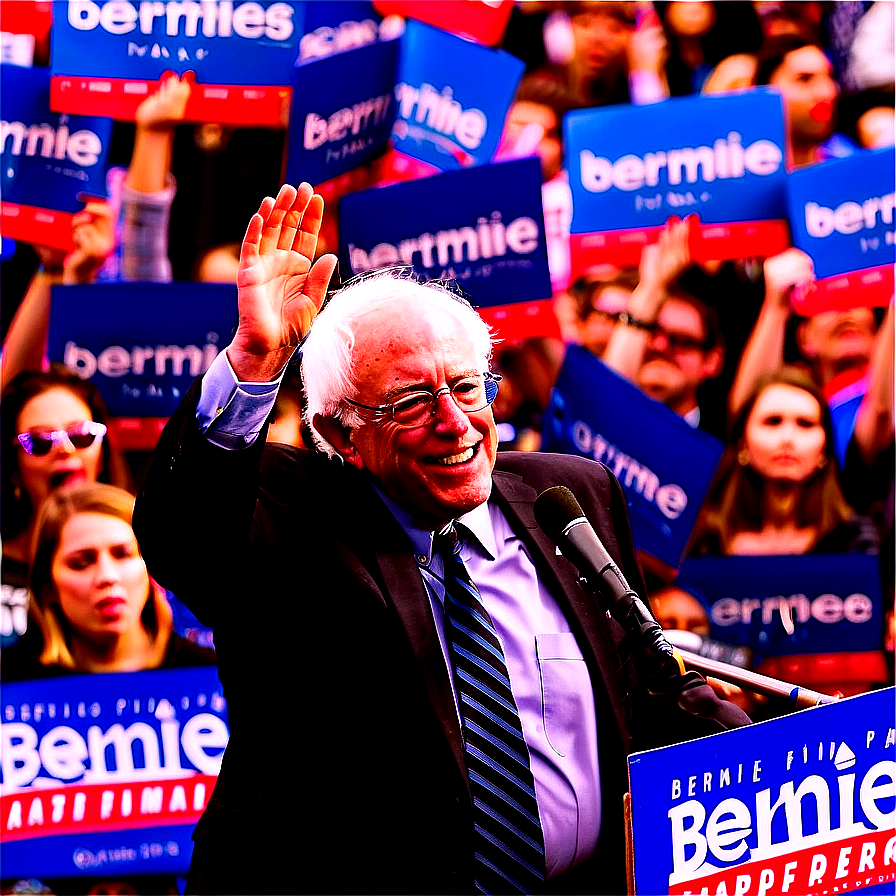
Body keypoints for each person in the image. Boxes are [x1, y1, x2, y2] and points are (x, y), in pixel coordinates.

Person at [133, 182, 749, 895]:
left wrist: (786, 754)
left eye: (467, 386)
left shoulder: (570, 494)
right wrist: (254, 360)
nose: (455, 422)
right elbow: (185, 537)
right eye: (413, 401)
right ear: (339, 433)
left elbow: (644, 688)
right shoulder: (295, 513)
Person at [1, 481, 216, 680]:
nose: (107, 577)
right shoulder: (10, 682)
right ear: (48, 588)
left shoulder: (212, 676)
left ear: (151, 569)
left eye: (123, 554)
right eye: (81, 563)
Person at [1, 367, 133, 648]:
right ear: (13, 468)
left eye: (82, 435)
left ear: (104, 454)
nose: (65, 449)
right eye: (38, 442)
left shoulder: (154, 552)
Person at [689, 366, 878, 557]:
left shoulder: (855, 539)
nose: (788, 438)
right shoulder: (703, 541)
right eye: (773, 421)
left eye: (805, 423)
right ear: (742, 443)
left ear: (824, 449)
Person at [754, 34, 855, 169]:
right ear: (764, 90)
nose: (827, 92)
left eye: (830, 76)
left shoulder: (849, 160)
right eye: (805, 79)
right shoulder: (740, 175)